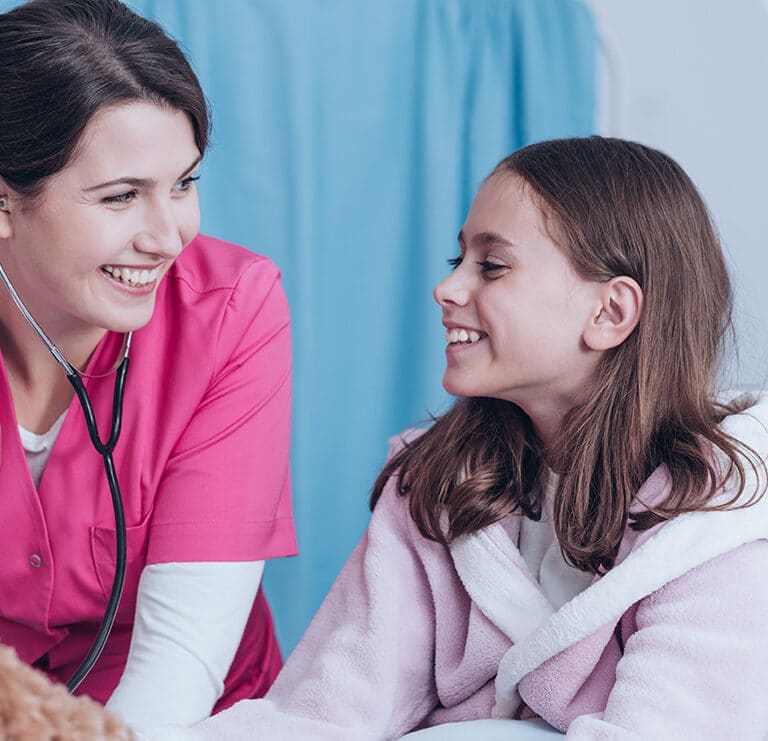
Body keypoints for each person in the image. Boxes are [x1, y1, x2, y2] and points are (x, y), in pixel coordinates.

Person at [144, 136, 768, 741]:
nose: (448, 289)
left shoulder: (719, 523)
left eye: (491, 266)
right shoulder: (437, 486)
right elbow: (324, 712)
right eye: (457, 260)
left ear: (609, 312)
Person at [0, 0, 296, 733]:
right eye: (122, 196)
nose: (169, 237)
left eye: (185, 184)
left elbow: (179, 658)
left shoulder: (231, 310)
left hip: (184, 715)